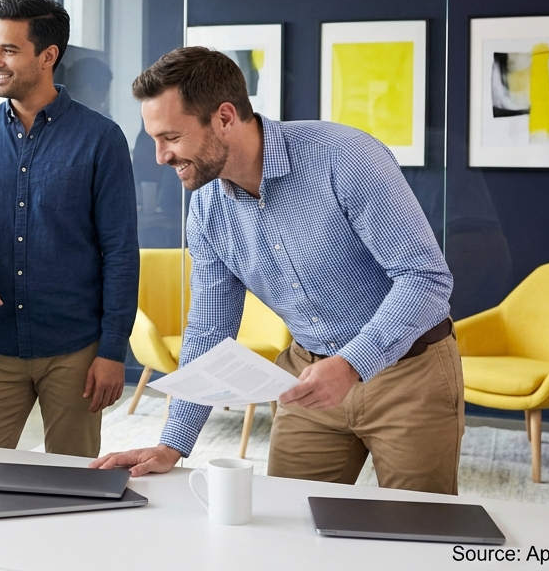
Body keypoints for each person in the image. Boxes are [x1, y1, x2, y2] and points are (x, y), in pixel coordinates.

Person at [91, 46, 462, 494]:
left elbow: (426, 280)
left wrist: (352, 364)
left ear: (225, 117)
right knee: (286, 526)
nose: (160, 156)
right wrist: (173, 443)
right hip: (308, 378)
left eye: (170, 136)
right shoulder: (206, 209)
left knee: (416, 534)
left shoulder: (344, 158)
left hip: (410, 372)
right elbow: (210, 329)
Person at [0, 0, 138, 458]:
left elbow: (121, 252)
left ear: (48, 56)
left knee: (72, 489)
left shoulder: (100, 139)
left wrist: (112, 352)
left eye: (8, 50)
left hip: (76, 351)